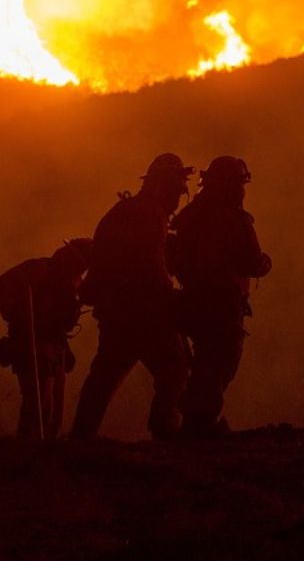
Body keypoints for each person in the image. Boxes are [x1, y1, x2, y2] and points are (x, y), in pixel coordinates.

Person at [70, 154, 193, 440]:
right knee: (174, 369)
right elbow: (148, 264)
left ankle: (81, 435)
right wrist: (171, 297)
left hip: (115, 311)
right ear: (164, 186)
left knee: (105, 375)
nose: (179, 196)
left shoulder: (124, 210)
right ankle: (164, 430)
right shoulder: (151, 215)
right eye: (177, 189)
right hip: (145, 312)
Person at [171, 156, 272, 437]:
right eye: (240, 183)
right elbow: (252, 262)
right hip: (223, 304)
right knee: (220, 363)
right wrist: (266, 263)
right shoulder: (234, 218)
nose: (242, 189)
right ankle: (199, 426)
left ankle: (194, 422)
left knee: (206, 362)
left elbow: (174, 257)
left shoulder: (191, 216)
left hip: (193, 300)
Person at [0, 239, 94, 440]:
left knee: (55, 413)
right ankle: (28, 448)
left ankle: (46, 452)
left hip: (56, 346)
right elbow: (1, 285)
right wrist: (15, 312)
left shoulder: (74, 281)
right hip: (32, 343)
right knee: (39, 405)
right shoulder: (39, 269)